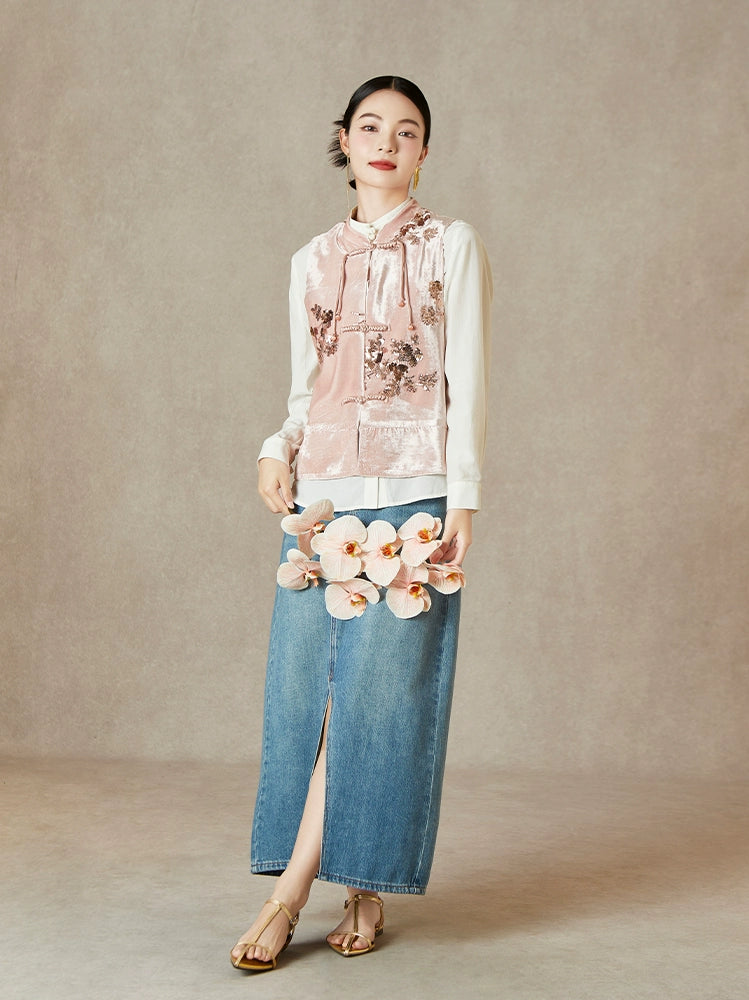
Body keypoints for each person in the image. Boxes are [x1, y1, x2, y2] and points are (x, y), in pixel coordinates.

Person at [231, 75, 492, 972]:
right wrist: (274, 450)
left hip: (415, 498)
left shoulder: (451, 244)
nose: (386, 142)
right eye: (370, 127)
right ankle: (360, 886)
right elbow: (305, 390)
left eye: (406, 131)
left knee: (379, 702)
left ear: (425, 151)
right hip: (325, 503)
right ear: (344, 139)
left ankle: (287, 894)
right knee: (315, 699)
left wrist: (463, 498)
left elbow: (468, 378)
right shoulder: (310, 259)